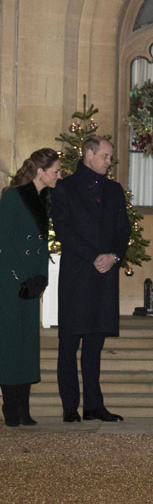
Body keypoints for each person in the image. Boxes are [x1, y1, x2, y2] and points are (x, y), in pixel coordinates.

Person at [51, 136, 130, 423]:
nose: (110, 161)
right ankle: (70, 406)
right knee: (69, 344)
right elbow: (63, 229)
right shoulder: (65, 187)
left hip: (105, 275)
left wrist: (113, 256)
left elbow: (123, 230)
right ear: (88, 154)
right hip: (77, 275)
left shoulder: (114, 189)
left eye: (110, 157)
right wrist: (93, 256)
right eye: (106, 156)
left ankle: (94, 405)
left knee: (95, 344)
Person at [0, 148, 62, 427]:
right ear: (40, 171)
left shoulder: (43, 198)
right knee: (11, 343)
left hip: (31, 281)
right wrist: (22, 275)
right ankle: (11, 408)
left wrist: (41, 276)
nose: (59, 176)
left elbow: (40, 245)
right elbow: (6, 241)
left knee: (27, 344)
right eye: (56, 171)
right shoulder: (12, 196)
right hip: (11, 280)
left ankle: (24, 409)